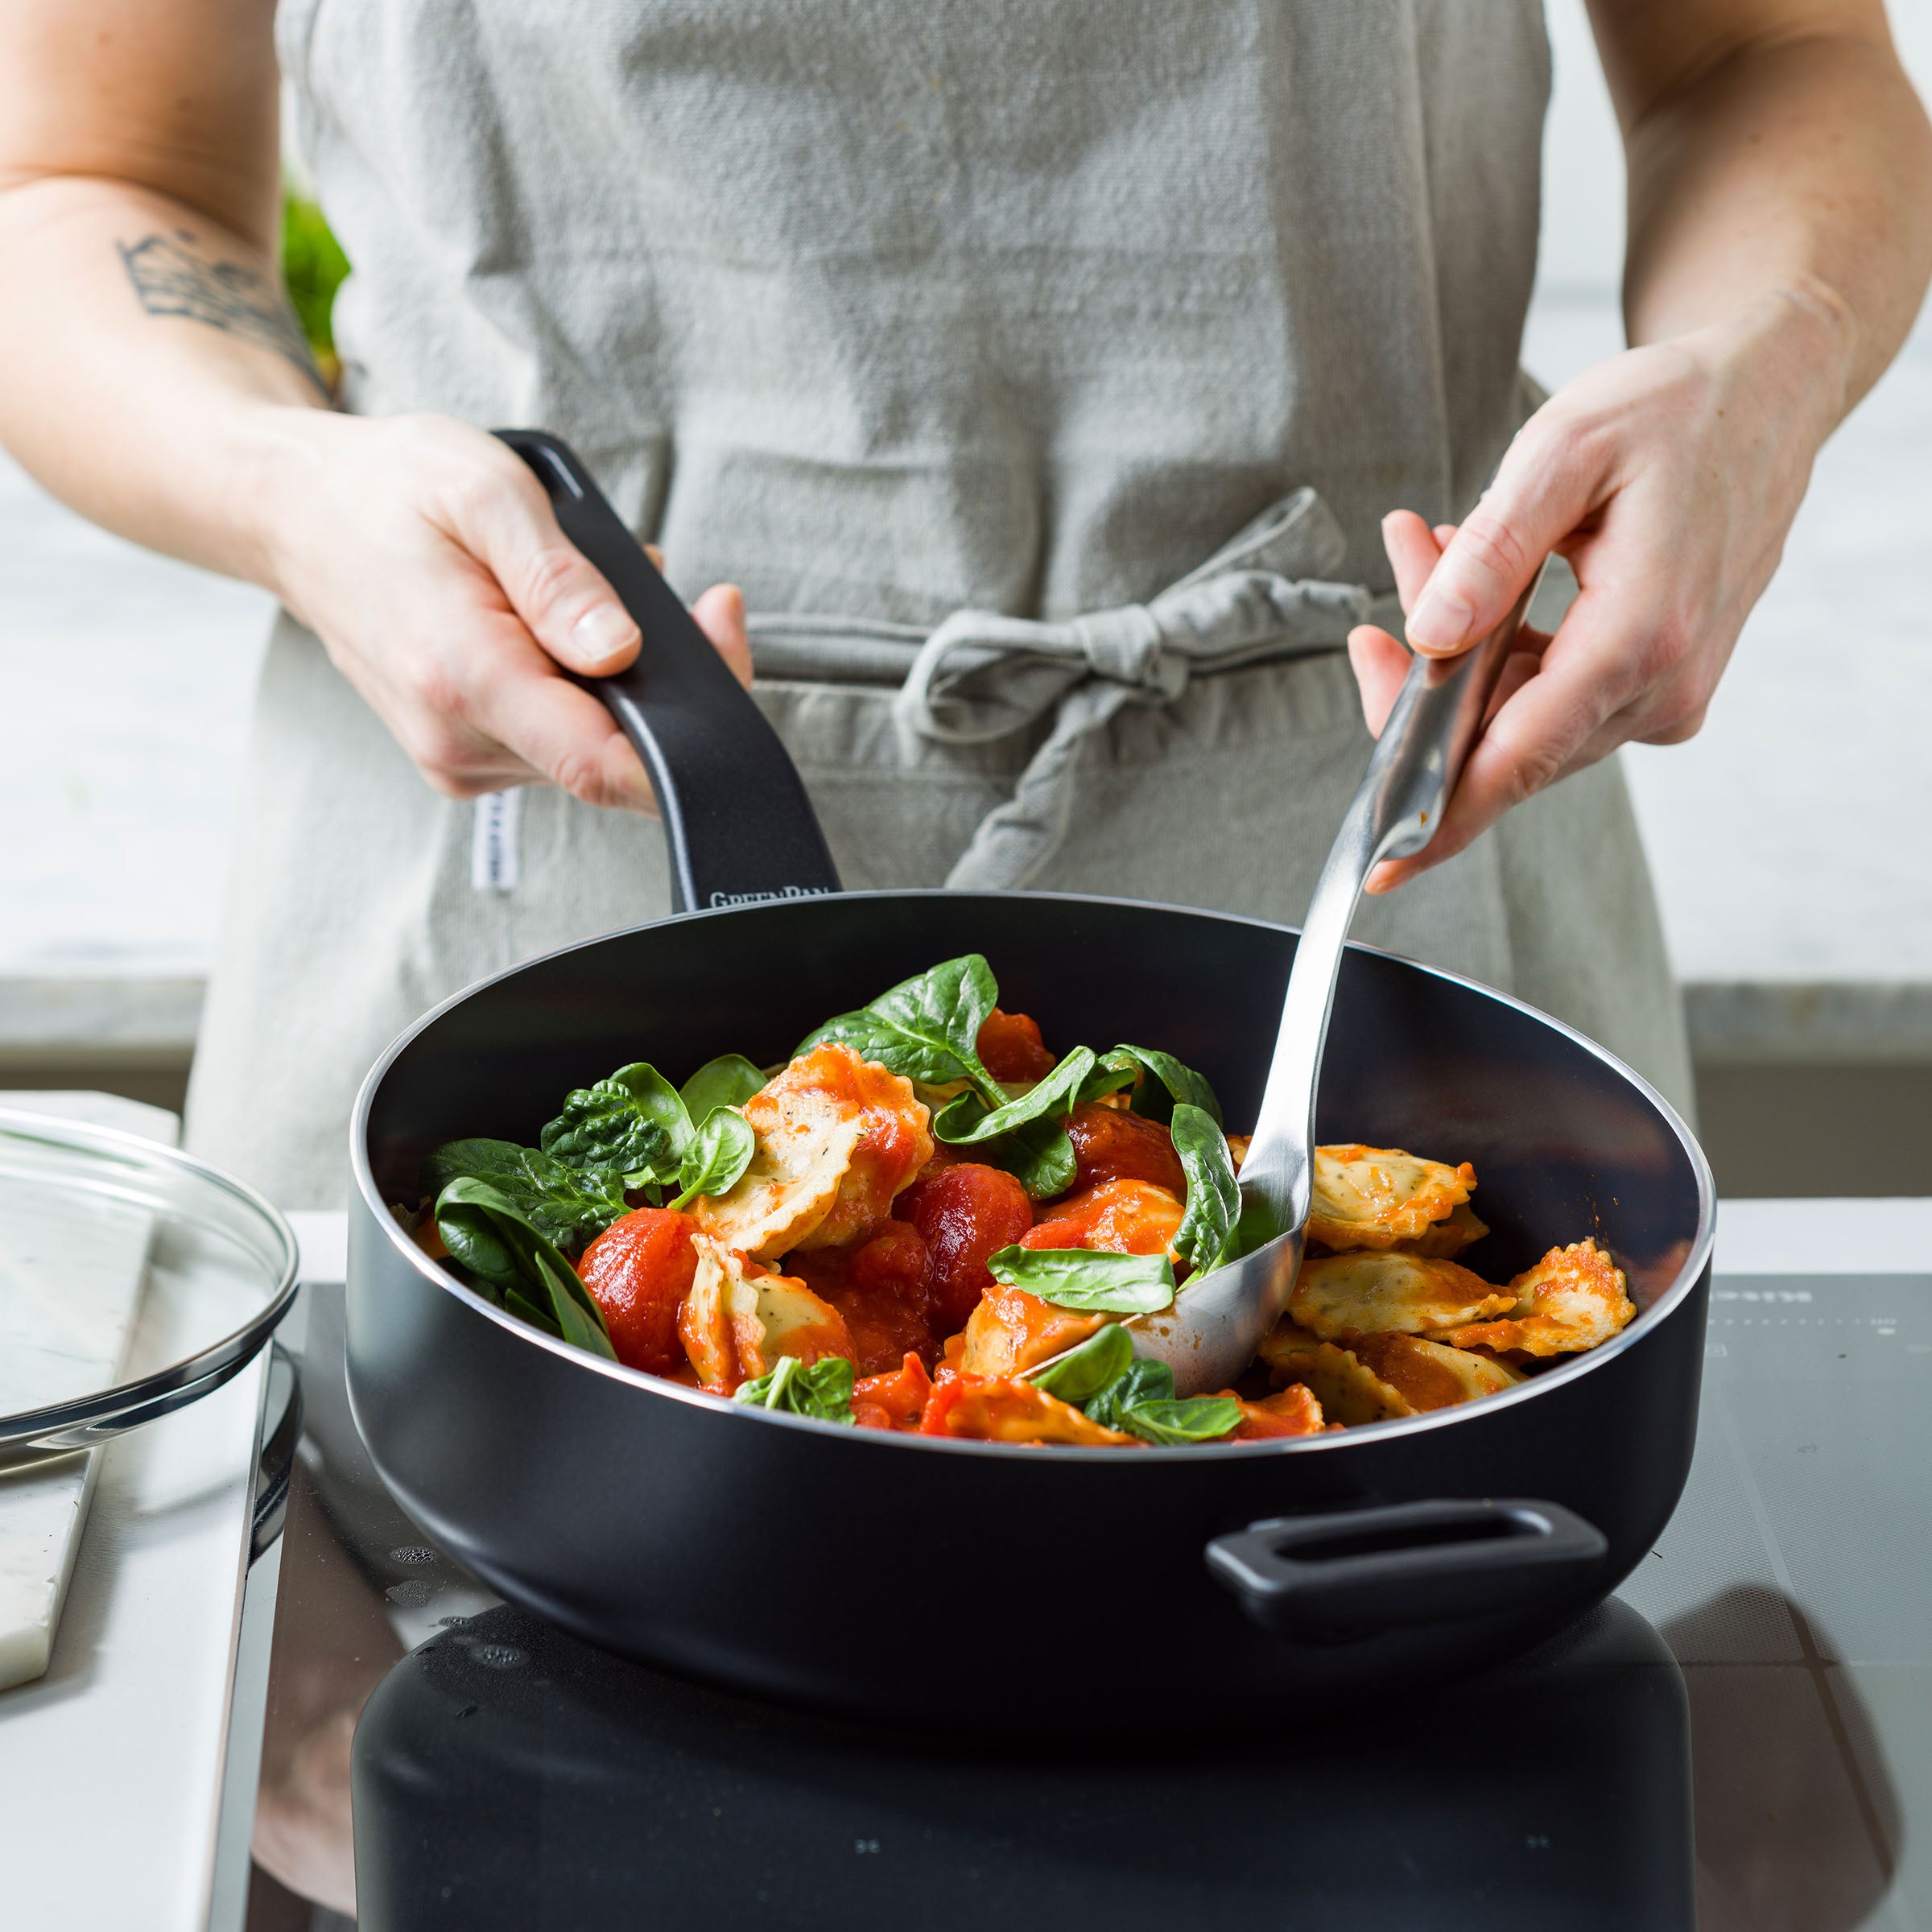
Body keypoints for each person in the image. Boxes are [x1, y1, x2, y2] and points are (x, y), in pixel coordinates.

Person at [1, 2, 1926, 1209]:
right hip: (524, 852)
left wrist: (1768, 365)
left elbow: (1768, 56)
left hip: (1378, 823)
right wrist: (289, 486)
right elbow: (88, 173)